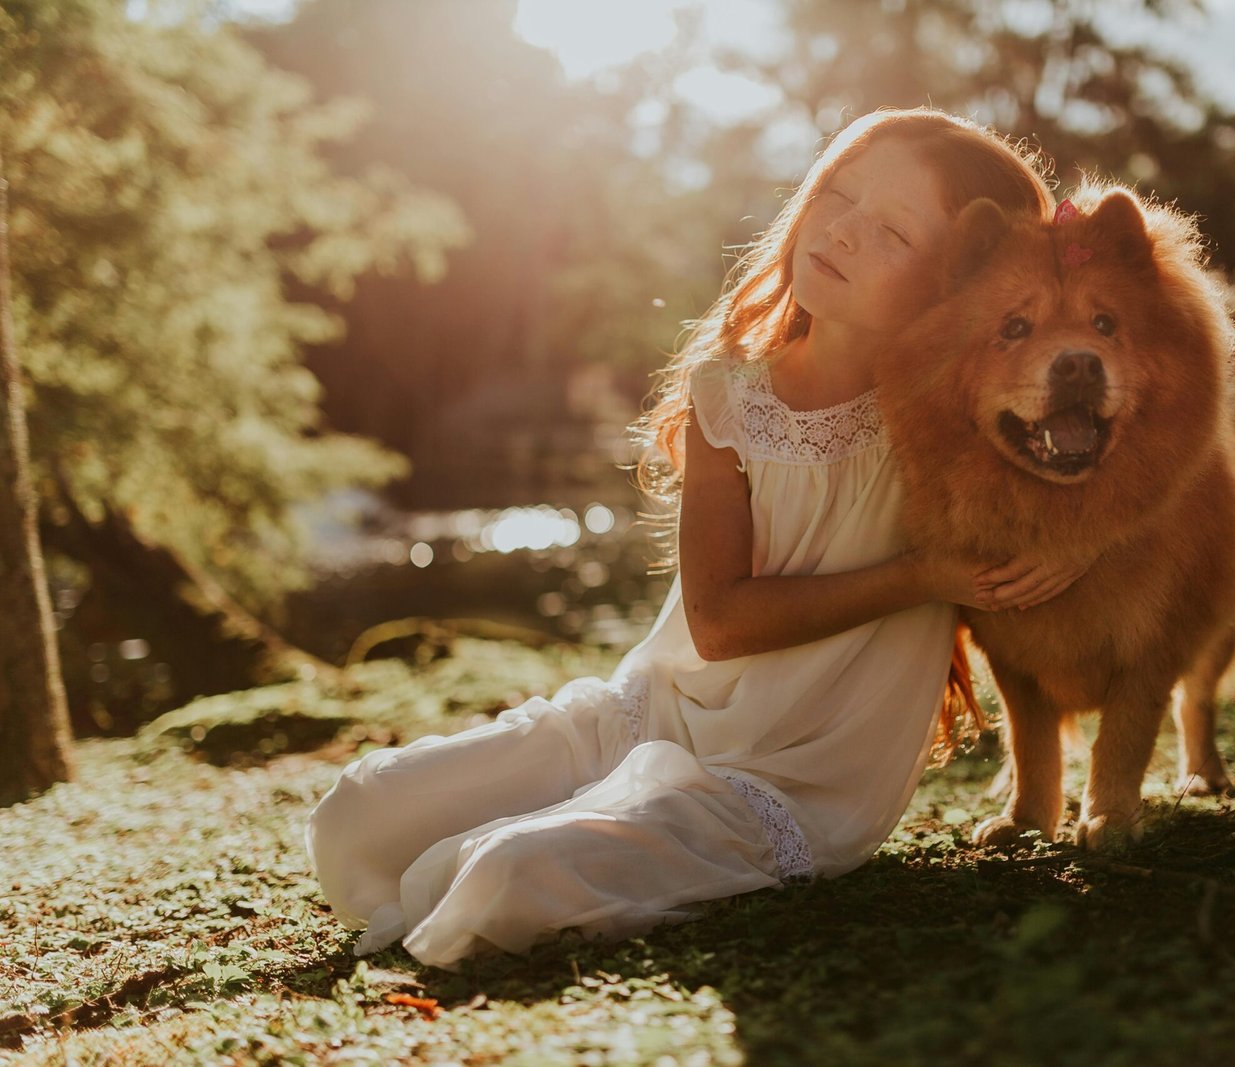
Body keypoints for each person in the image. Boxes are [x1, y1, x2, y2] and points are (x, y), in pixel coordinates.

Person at [303, 106, 1082, 971]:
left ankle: (546, 849)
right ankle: (547, 820)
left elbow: (1103, 490)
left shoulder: (960, 423)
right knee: (358, 817)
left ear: (958, 283)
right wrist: (923, 576)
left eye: (893, 231)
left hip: (791, 780)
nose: (845, 232)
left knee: (506, 876)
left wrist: (1053, 553)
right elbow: (719, 624)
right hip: (654, 712)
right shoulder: (728, 395)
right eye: (839, 193)